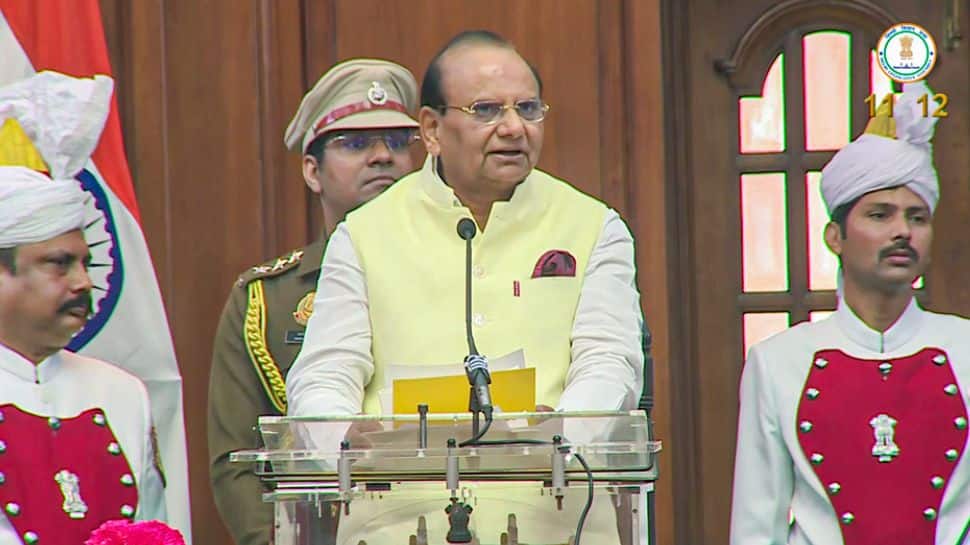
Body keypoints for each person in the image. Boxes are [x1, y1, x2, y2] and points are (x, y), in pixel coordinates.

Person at [285, 30, 644, 544]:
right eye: (486, 110)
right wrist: (342, 438)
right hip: (397, 520)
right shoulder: (363, 235)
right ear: (432, 129)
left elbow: (609, 361)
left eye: (528, 108)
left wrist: (562, 438)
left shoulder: (594, 226)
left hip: (557, 517)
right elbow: (324, 373)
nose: (514, 127)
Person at [730, 81, 970, 545]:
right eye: (880, 215)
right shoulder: (778, 362)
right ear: (834, 237)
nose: (902, 232)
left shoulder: (966, 350)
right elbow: (756, 528)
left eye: (917, 217)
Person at [206, 58, 421, 545]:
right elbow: (236, 461)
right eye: (355, 144)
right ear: (312, 170)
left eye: (397, 142)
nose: (382, 157)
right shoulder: (268, 298)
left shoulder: (463, 273)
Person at [0, 167, 167, 544]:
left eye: (85, 264)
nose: (83, 282)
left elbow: (153, 527)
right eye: (59, 264)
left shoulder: (122, 392)